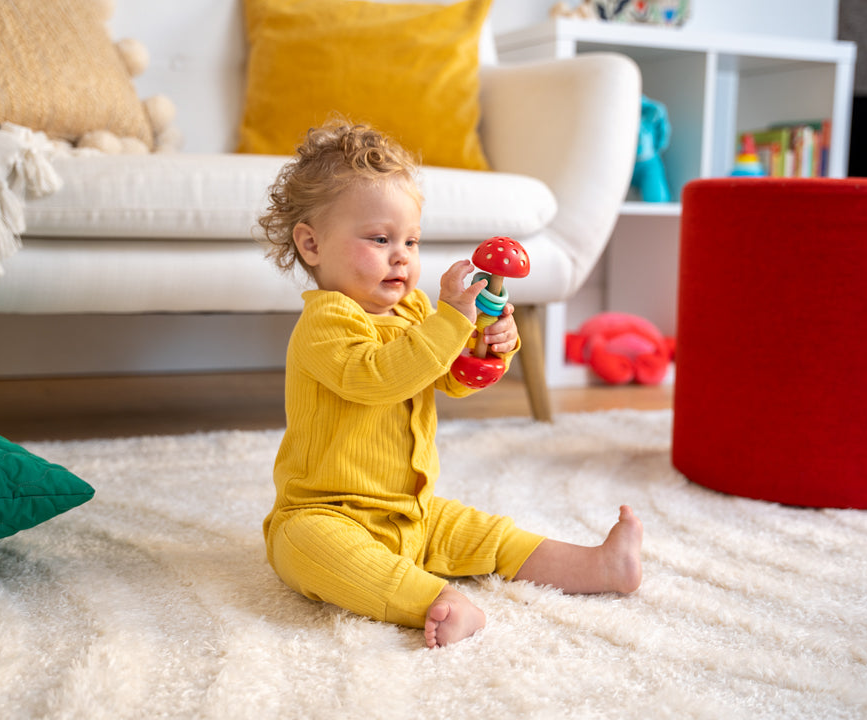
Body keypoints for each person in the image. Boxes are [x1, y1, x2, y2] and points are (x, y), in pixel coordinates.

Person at [258, 121, 644, 648]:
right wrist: (449, 322)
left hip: (413, 510)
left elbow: (453, 379)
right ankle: (437, 600)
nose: (402, 255)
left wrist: (489, 342)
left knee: (492, 535)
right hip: (327, 513)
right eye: (380, 239)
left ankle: (597, 566)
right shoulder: (328, 321)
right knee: (309, 551)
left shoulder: (416, 309)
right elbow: (378, 377)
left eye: (411, 240)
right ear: (311, 244)